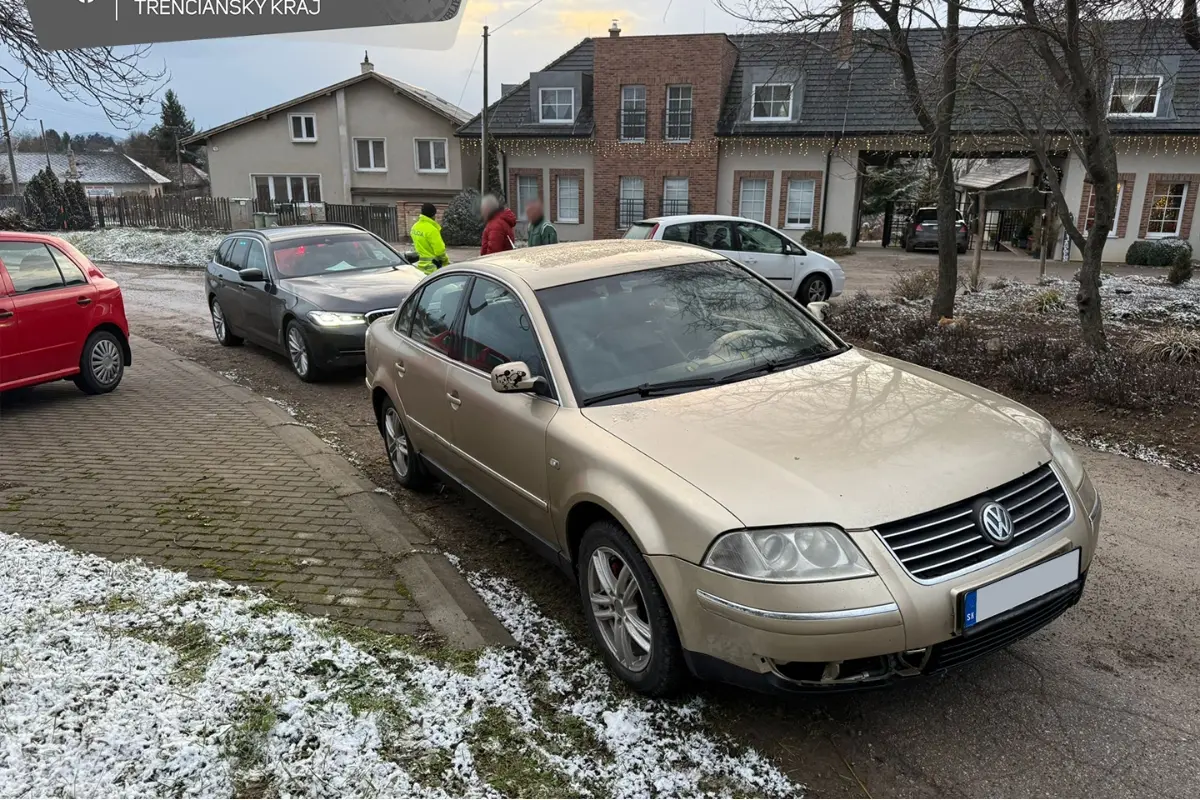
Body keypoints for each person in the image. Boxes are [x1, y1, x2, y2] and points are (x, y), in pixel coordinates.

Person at [410, 202, 448, 275]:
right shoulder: (432, 230)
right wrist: (445, 261)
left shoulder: (415, 227)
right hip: (433, 268)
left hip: (419, 267)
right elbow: (440, 251)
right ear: (433, 215)